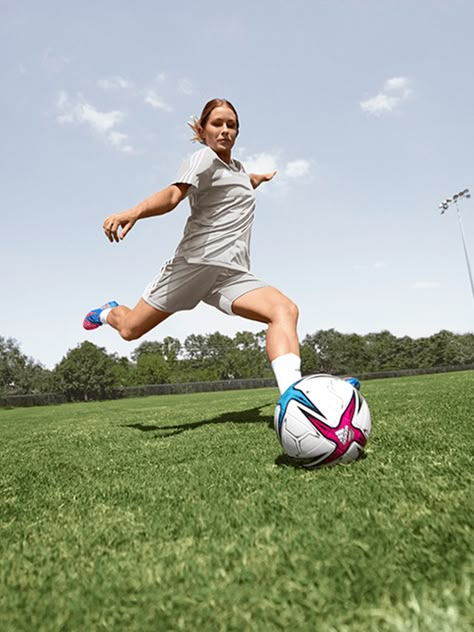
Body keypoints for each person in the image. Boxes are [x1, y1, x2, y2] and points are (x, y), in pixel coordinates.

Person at [83, 98, 302, 395]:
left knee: (284, 310)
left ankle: (295, 397)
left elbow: (240, 182)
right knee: (130, 329)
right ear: (202, 129)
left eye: (231, 125)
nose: (225, 130)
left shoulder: (237, 170)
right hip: (194, 265)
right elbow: (174, 195)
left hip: (231, 275)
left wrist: (257, 178)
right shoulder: (203, 158)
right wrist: (134, 211)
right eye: (217, 124)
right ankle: (107, 312)